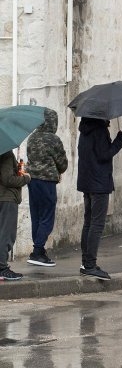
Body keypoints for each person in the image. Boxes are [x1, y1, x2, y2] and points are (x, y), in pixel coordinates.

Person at [77, 117, 122, 280]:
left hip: (87, 182)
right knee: (97, 224)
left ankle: (86, 263)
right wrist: (120, 141)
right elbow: (104, 154)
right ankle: (90, 264)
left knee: (89, 223)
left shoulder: (84, 131)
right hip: (99, 183)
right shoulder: (99, 131)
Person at [26, 107, 68, 267]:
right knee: (47, 216)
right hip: (47, 182)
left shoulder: (32, 138)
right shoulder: (53, 139)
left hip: (31, 180)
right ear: (53, 122)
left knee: (36, 214)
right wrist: (58, 170)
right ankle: (37, 252)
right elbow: (62, 163)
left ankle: (39, 249)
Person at [0, 150, 31, 280]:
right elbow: (7, 179)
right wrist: (26, 178)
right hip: (7, 198)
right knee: (6, 235)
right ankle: (2, 268)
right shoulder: (5, 153)